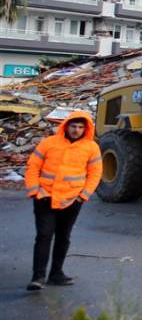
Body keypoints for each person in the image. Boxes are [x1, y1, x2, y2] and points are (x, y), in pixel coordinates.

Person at [23, 110, 101, 291]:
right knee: (44, 234)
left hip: (72, 199)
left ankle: (56, 273)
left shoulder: (91, 148)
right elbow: (33, 165)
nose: (76, 130)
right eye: (74, 126)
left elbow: (95, 173)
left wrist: (84, 195)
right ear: (66, 126)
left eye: (81, 127)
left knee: (63, 236)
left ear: (86, 129)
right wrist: (34, 190)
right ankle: (38, 277)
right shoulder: (49, 143)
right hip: (45, 197)